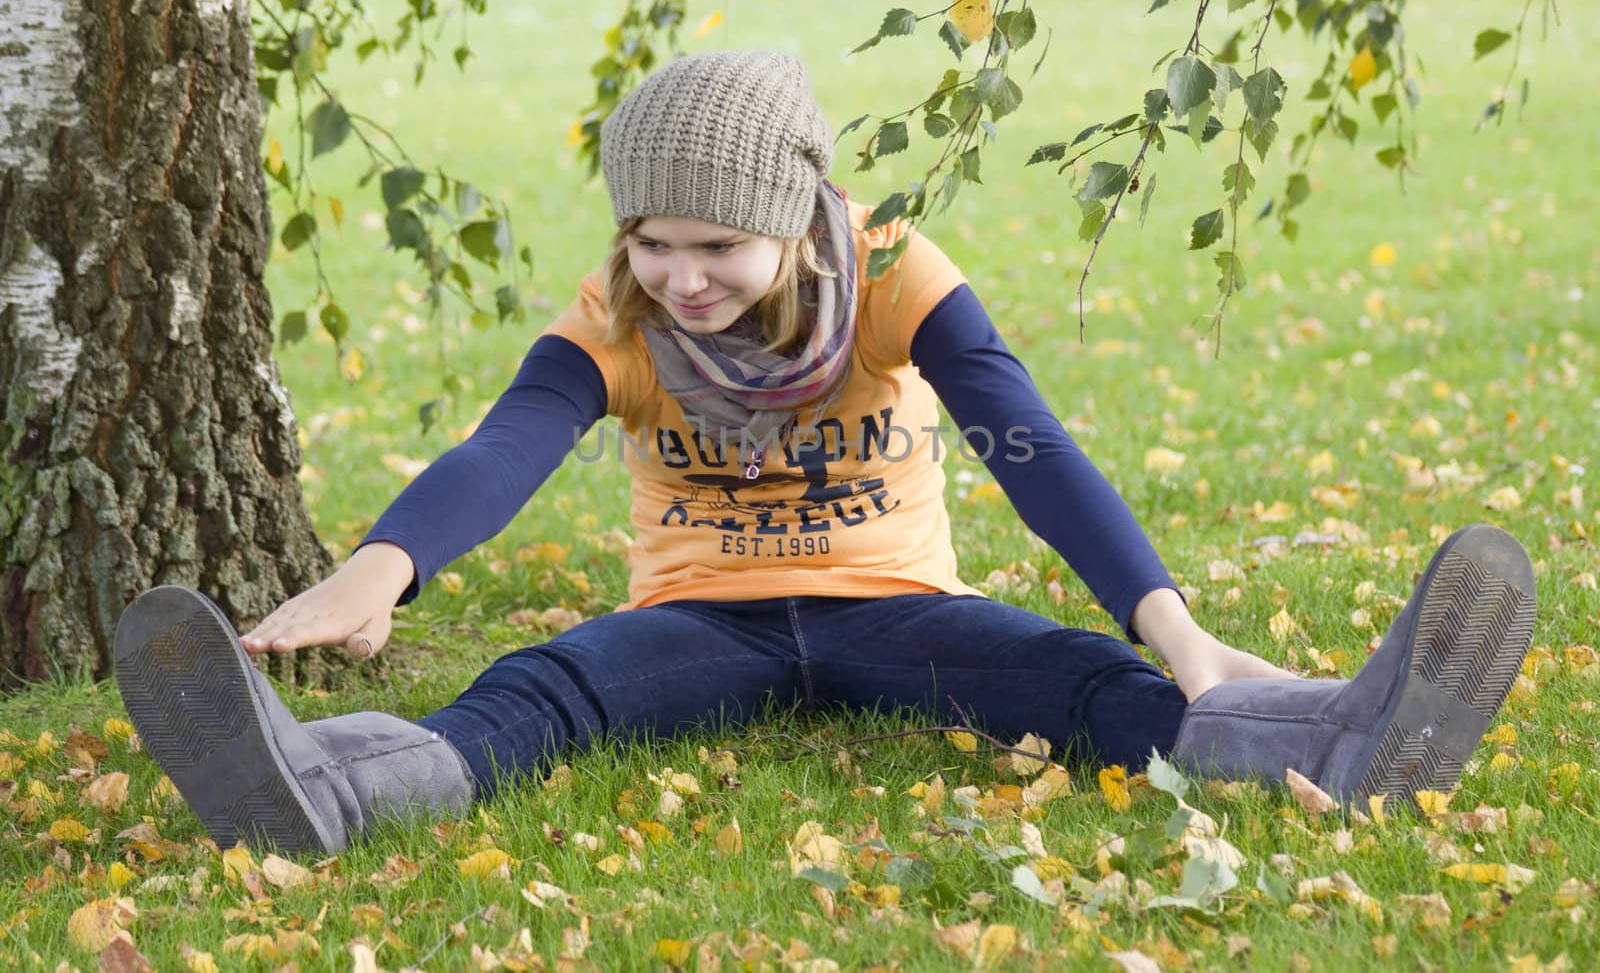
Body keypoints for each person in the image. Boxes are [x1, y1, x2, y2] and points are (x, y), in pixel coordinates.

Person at [114, 50, 1537, 856]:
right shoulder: (620, 310)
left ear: (799, 224)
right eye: (650, 244)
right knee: (540, 692)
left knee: (1082, 686)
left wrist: (1181, 630)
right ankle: (325, 786)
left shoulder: (899, 271)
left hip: (901, 612)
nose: (678, 279)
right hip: (701, 624)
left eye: (713, 247)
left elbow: (1025, 443)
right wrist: (382, 568)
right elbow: (510, 442)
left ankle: (1348, 734)